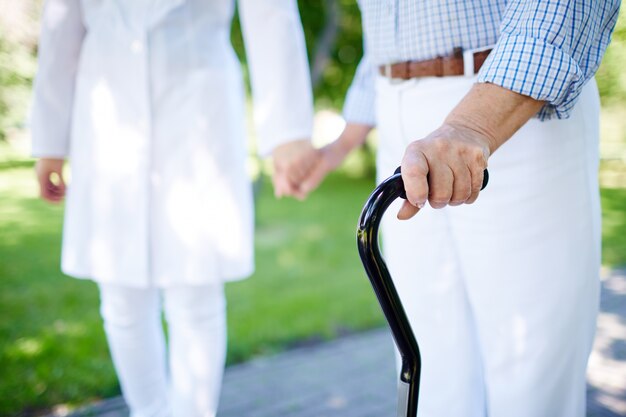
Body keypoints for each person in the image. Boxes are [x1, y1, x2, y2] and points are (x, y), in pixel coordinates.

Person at [289, 1, 622, 417]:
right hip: (398, 112)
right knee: (429, 370)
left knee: (528, 376)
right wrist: (342, 142)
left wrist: (473, 126)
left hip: (510, 100)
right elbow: (396, 29)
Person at [31, 0, 316, 416]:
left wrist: (288, 131)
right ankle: (147, 410)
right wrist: (49, 140)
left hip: (197, 97)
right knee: (120, 291)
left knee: (196, 286)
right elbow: (60, 24)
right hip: (106, 106)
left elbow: (270, 11)